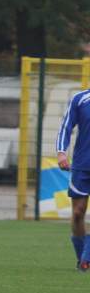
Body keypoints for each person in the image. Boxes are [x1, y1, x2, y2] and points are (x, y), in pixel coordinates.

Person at [57, 87, 90, 271]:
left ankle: (87, 259)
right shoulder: (80, 99)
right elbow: (66, 126)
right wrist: (62, 153)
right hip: (82, 165)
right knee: (78, 213)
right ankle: (81, 259)